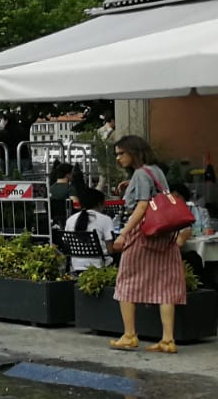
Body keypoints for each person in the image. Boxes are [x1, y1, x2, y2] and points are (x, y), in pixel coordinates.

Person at [107, 135, 182, 353]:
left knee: (126, 281)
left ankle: (129, 335)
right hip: (164, 233)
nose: (118, 158)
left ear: (134, 152)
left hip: (143, 233)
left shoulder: (140, 174)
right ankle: (168, 340)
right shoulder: (155, 170)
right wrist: (132, 185)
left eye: (122, 153)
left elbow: (141, 208)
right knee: (166, 284)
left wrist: (123, 233)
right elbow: (156, 196)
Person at [64, 186, 115, 272]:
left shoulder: (70, 220)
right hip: (98, 266)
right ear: (99, 204)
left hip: (75, 266)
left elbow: (67, 244)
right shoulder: (105, 219)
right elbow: (110, 250)